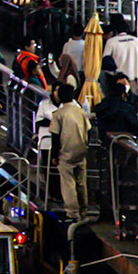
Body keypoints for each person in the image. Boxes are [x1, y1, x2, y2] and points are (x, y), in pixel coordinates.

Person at [49, 83, 93, 220]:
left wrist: (54, 155)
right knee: (81, 183)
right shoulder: (80, 112)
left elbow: (55, 137)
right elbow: (89, 130)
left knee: (68, 184)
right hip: (81, 152)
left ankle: (73, 213)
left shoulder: (58, 114)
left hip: (66, 154)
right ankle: (83, 210)